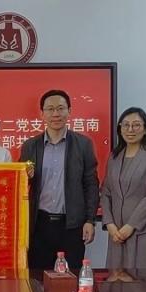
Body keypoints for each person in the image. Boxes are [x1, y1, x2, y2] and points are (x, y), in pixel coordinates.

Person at [19, 89, 99, 271]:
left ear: (69, 111)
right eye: (50, 109)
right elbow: (20, 185)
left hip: (72, 225)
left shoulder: (83, 144)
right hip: (39, 225)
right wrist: (26, 178)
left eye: (61, 108)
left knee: (71, 277)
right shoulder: (30, 146)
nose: (56, 114)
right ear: (42, 113)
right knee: (38, 278)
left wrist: (90, 220)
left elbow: (91, 185)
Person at [99, 107, 146, 273]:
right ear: (120, 129)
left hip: (143, 231)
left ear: (145, 129)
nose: (130, 129)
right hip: (116, 233)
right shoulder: (114, 157)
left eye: (136, 125)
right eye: (126, 125)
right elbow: (106, 192)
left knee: (143, 284)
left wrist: (131, 226)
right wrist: (109, 224)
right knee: (116, 282)